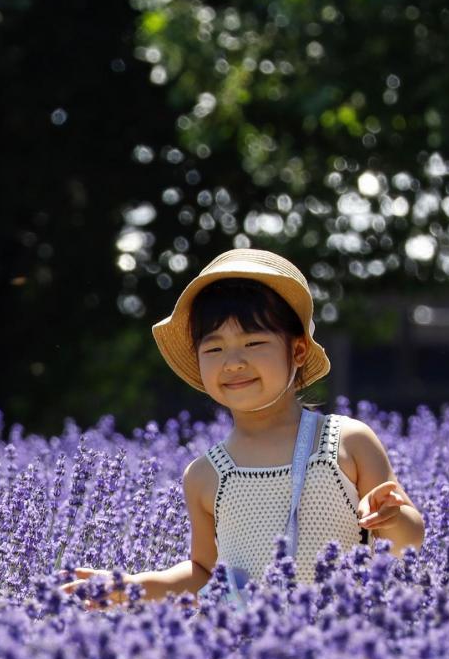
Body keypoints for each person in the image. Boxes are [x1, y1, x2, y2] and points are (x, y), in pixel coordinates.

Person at [63, 248, 424, 604]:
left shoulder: (346, 441)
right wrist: (133, 586)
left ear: (298, 351)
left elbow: (411, 539)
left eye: (253, 342)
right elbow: (204, 572)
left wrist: (391, 518)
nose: (233, 362)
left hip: (342, 632)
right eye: (214, 349)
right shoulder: (205, 475)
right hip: (248, 639)